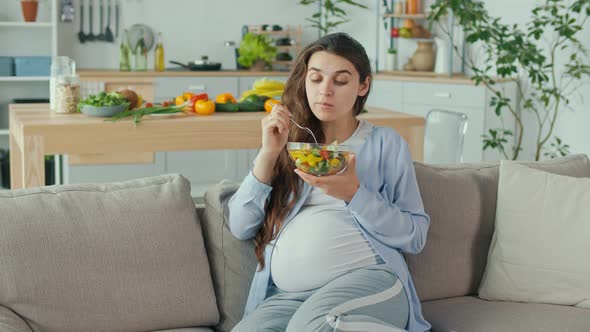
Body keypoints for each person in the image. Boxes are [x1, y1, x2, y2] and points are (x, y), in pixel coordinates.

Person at [228, 32, 430, 332]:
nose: (325, 91)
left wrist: (354, 193)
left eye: (341, 80)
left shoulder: (386, 144)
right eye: (316, 78)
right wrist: (268, 154)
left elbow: (415, 236)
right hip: (288, 298)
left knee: (309, 329)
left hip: (369, 279)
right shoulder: (289, 146)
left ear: (363, 85)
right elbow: (240, 225)